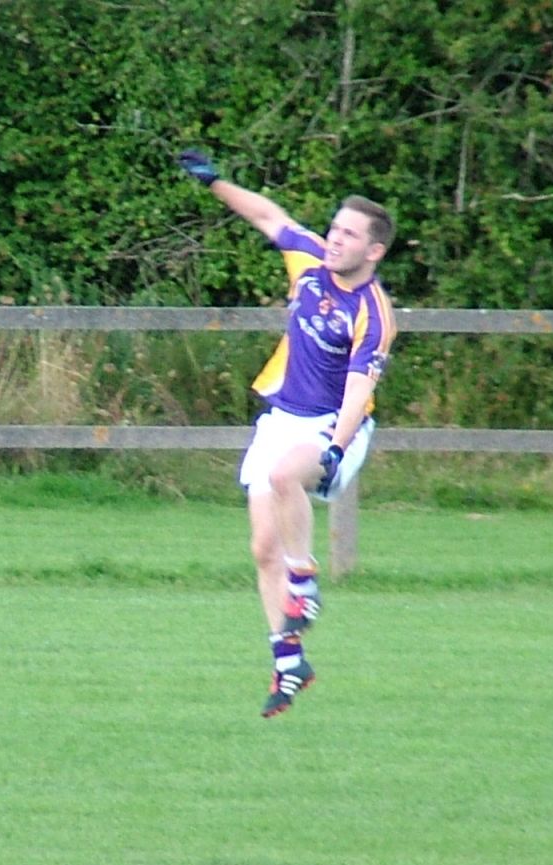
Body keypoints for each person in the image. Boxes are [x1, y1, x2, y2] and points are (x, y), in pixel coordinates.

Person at [177, 150, 397, 718]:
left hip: (333, 425)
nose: (335, 239)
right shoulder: (307, 261)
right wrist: (215, 183)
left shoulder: (373, 312)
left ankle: (307, 579)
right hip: (282, 417)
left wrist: (334, 446)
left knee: (283, 478)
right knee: (261, 548)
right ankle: (289, 660)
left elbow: (356, 392)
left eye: (349, 235)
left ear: (374, 251)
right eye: (334, 228)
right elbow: (268, 216)